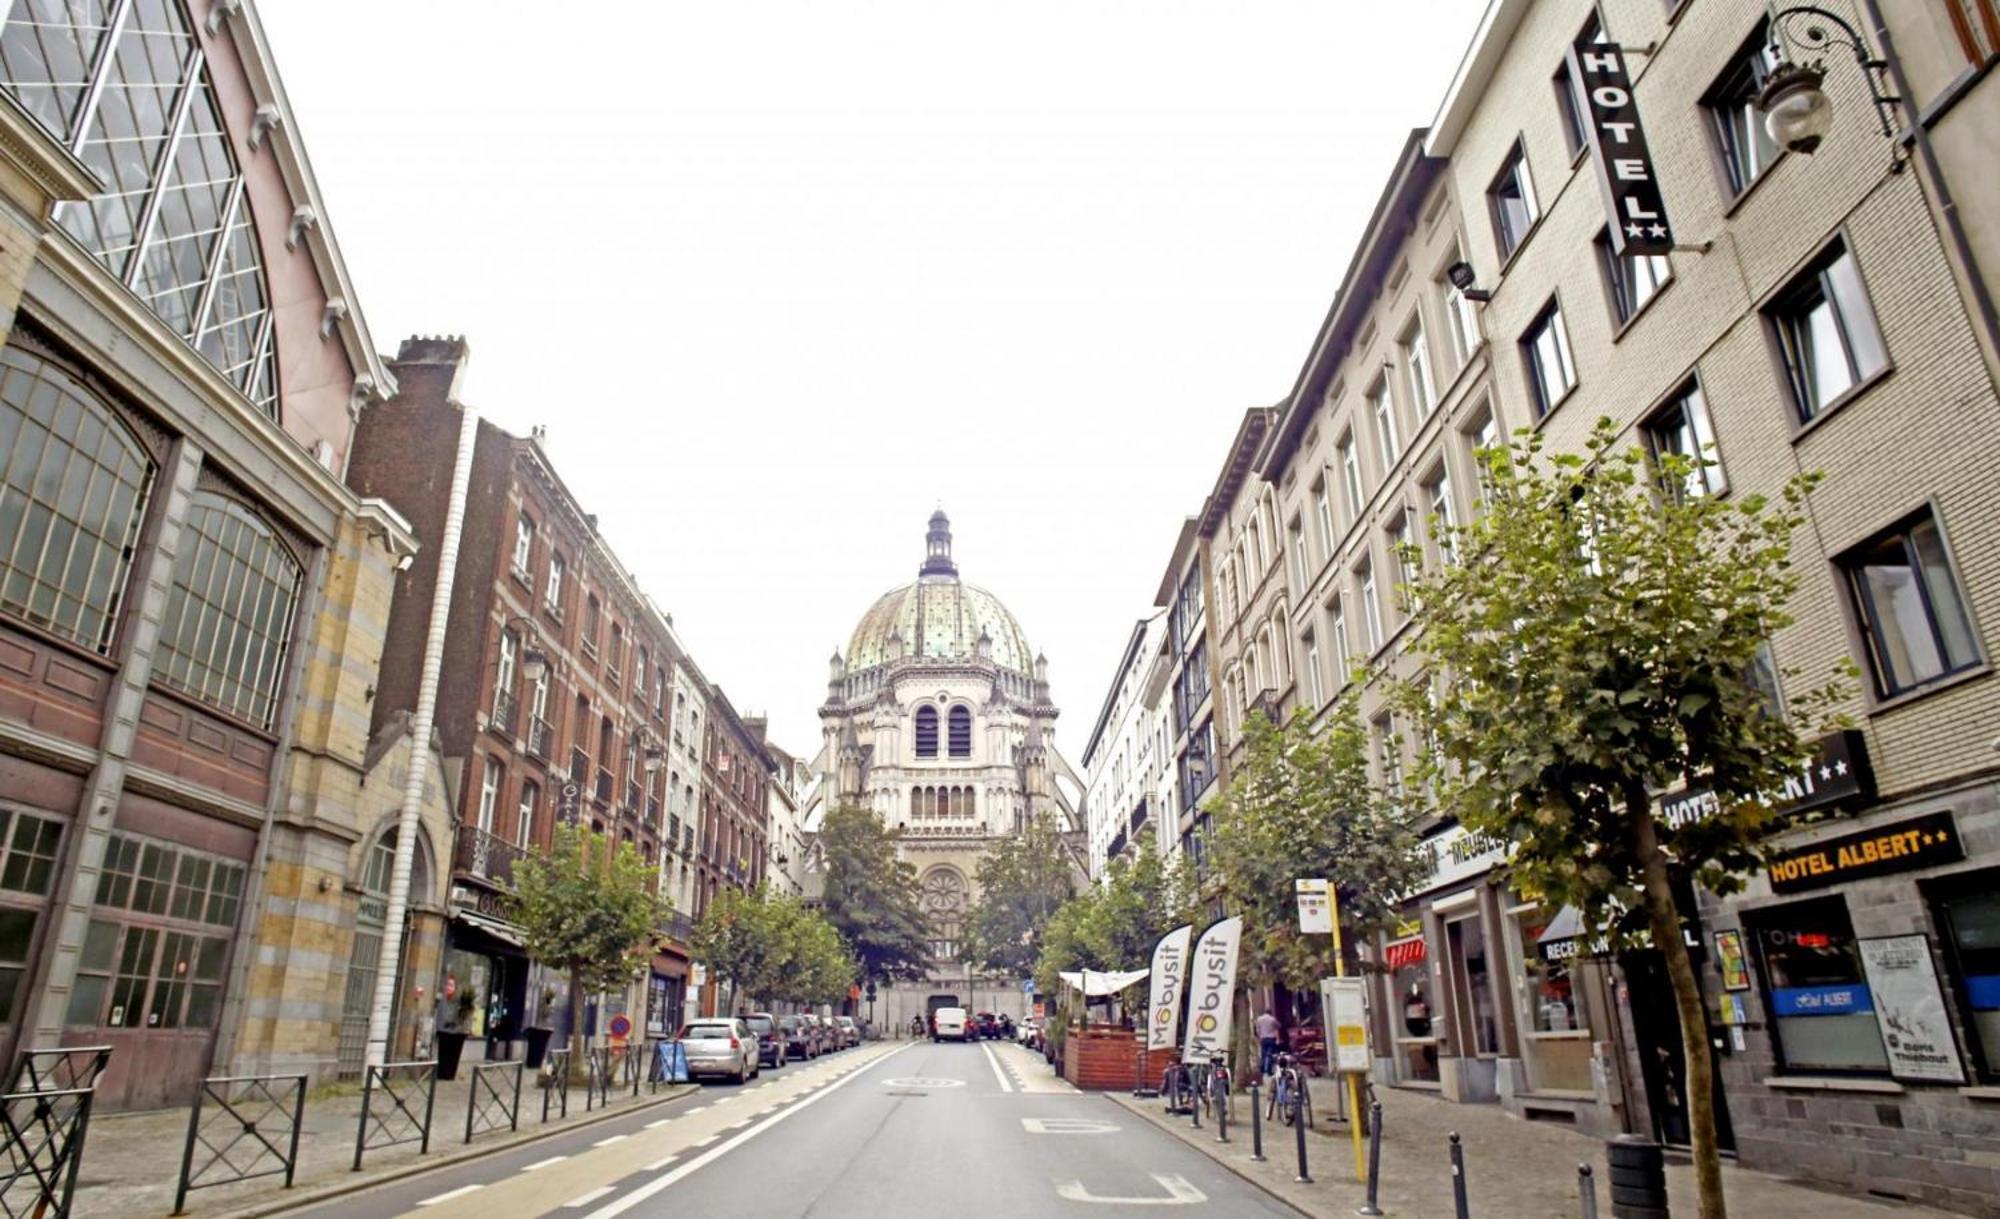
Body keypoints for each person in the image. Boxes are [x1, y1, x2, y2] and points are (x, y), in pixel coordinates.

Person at [1255, 1008, 1281, 1079]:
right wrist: (1278, 1039)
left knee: (1263, 1055)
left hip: (1263, 1039)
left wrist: (1259, 1038)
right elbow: (1276, 1029)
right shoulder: (1273, 1019)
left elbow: (1257, 1030)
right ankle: (1268, 1070)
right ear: (1270, 1013)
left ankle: (1262, 1070)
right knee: (1270, 1055)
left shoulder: (1259, 1019)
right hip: (1271, 1039)